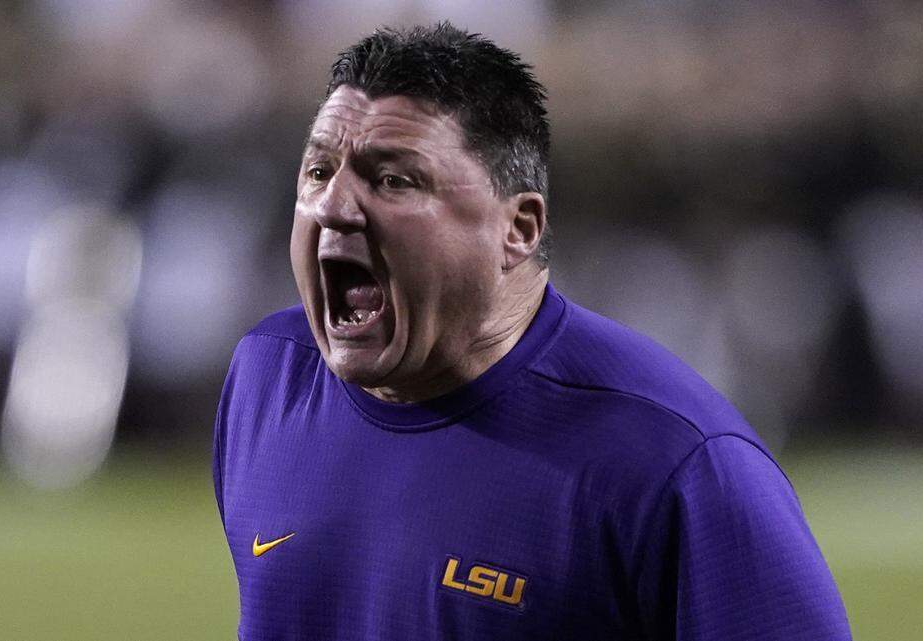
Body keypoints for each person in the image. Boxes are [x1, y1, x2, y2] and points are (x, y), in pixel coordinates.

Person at [213, 23, 851, 641]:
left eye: (393, 179)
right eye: (319, 172)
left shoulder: (676, 458)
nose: (332, 206)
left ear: (517, 229)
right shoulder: (269, 378)